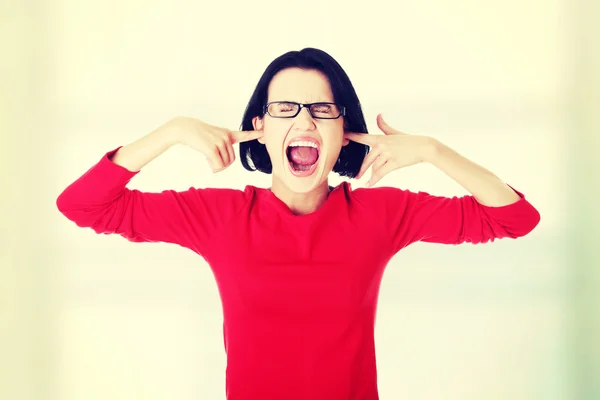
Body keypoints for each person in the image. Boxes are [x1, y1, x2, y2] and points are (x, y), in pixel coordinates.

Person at [56, 47, 541, 400]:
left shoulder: (381, 215)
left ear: (344, 131)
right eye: (284, 109)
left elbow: (516, 218)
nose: (304, 122)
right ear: (260, 128)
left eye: (322, 110)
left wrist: (434, 151)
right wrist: (170, 132)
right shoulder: (219, 217)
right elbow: (83, 205)